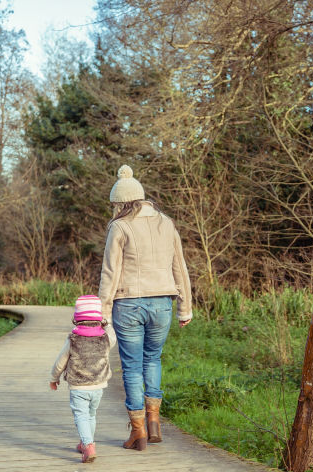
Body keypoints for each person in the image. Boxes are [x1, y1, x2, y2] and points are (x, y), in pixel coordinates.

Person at [98, 165, 193, 452]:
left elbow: (110, 272)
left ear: (120, 203)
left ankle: (137, 432)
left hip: (128, 303)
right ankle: (154, 424)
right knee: (152, 360)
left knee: (131, 367)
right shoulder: (167, 222)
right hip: (163, 302)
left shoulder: (120, 225)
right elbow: (180, 267)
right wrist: (185, 307)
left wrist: (102, 312)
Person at [49, 294, 115, 464]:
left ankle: (88, 445)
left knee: (81, 415)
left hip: (79, 387)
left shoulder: (73, 339)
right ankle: (85, 442)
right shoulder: (106, 338)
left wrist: (54, 377)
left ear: (76, 318)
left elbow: (61, 361)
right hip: (98, 385)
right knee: (91, 414)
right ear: (98, 317)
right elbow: (113, 334)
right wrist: (106, 322)